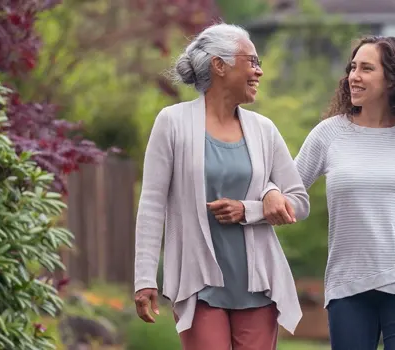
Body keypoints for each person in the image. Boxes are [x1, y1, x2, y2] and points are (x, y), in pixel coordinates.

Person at [263, 35, 395, 349]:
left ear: (393, 80)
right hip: (348, 284)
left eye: (366, 69)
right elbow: (287, 186)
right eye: (352, 67)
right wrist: (269, 193)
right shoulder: (329, 134)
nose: (354, 76)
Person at [132, 23, 310, 350]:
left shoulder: (264, 130)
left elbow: (298, 201)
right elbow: (152, 203)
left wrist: (253, 208)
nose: (259, 71)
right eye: (252, 61)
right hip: (199, 284)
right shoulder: (172, 123)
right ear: (219, 65)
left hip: (258, 286)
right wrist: (144, 279)